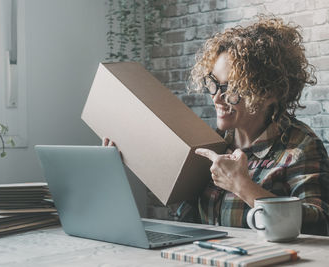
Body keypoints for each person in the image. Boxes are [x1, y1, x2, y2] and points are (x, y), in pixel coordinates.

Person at [104, 15, 329, 235]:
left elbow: (319, 224)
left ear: (270, 93)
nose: (217, 98)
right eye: (213, 84)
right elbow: (189, 221)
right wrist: (127, 164)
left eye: (231, 89)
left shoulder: (300, 147)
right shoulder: (213, 143)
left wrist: (241, 185)